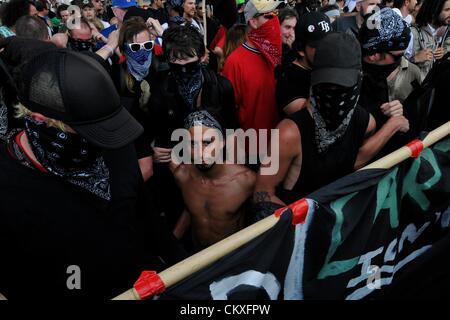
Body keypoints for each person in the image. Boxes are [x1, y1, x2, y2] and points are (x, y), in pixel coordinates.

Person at [0, 47, 185, 299]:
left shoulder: (116, 147)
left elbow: (147, 218)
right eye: (92, 130)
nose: (104, 141)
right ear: (41, 119)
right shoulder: (7, 189)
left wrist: (182, 272)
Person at [253, 32, 409, 213]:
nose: (334, 92)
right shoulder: (289, 133)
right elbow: (261, 195)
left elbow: (353, 160)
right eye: (326, 85)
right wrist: (308, 222)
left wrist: (393, 125)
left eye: (342, 87)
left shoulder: (365, 123)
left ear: (357, 81)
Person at [147, 25, 237, 231]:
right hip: (176, 173)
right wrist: (150, 150)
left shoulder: (221, 86)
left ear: (203, 56)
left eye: (190, 63)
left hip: (213, 167)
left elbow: (232, 129)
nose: (184, 71)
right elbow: (147, 130)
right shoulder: (158, 89)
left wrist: (230, 164)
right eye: (176, 65)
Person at [170, 110, 256, 251]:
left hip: (233, 260)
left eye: (207, 142)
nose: (201, 151)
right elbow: (192, 208)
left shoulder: (245, 180)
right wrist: (172, 243)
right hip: (197, 259)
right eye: (193, 144)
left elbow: (270, 216)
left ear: (222, 142)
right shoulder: (181, 175)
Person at [222, 0, 282, 135]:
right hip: (251, 147)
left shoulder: (277, 54)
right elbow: (229, 111)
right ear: (253, 22)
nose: (275, 20)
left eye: (276, 14)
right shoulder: (235, 62)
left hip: (279, 143)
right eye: (268, 16)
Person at [359, 6, 420, 132]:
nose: (402, 62)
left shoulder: (412, 72)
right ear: (373, 55)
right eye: (397, 56)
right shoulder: (349, 77)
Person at [276, 12, 331, 116]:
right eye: (318, 46)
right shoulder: (287, 80)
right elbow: (306, 115)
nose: (327, 49)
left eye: (330, 42)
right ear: (301, 50)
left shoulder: (322, 65)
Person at [410, 0, 450, 79]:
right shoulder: (412, 33)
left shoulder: (436, 34)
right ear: (434, 11)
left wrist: (443, 54)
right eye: (447, 10)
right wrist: (414, 59)